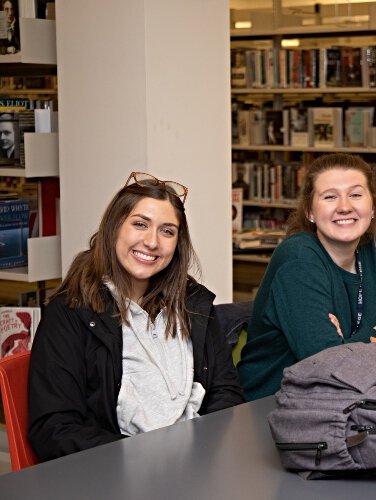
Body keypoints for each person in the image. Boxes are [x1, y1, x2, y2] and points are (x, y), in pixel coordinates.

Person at [28, 172, 244, 461]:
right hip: (116, 473)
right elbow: (54, 429)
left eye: (167, 231)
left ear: (177, 243)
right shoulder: (70, 312)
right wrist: (139, 459)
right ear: (114, 228)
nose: (152, 242)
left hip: (196, 465)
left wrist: (202, 449)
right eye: (140, 224)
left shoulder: (193, 302)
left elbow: (226, 392)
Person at [237, 153, 376, 400]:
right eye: (330, 196)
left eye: (355, 194)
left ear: (372, 206)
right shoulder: (298, 259)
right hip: (274, 406)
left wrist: (351, 348)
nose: (344, 206)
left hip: (356, 398)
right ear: (310, 211)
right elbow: (328, 367)